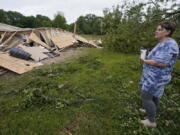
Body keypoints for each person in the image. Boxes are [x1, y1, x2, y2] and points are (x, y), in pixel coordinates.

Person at [139, 21, 179, 127]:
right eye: (157, 29)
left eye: (160, 29)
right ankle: (150, 109)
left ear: (168, 32)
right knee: (154, 95)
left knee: (146, 96)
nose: (156, 31)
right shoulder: (163, 42)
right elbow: (158, 57)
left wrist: (144, 60)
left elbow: (161, 63)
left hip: (157, 77)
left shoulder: (169, 45)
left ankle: (151, 121)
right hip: (153, 75)